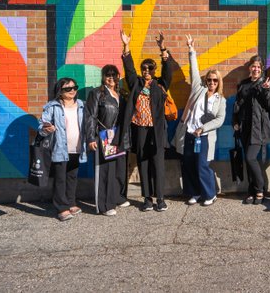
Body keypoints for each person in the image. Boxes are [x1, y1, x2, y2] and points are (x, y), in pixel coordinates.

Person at [121, 31, 172, 212]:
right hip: (141, 129)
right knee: (143, 163)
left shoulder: (160, 84)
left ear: (154, 70)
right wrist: (126, 46)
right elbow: (129, 70)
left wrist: (163, 49)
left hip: (156, 131)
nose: (147, 72)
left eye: (150, 69)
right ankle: (148, 199)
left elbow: (168, 70)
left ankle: (160, 199)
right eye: (144, 69)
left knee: (158, 164)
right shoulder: (136, 84)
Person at [173, 35, 227, 207]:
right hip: (189, 133)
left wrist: (203, 128)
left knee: (202, 165)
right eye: (209, 79)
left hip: (204, 137)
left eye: (215, 80)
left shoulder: (221, 100)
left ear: (218, 82)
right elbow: (193, 70)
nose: (211, 82)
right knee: (188, 164)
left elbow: (219, 120)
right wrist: (191, 50)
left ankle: (210, 194)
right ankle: (194, 193)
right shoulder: (198, 89)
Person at [85, 65, 131, 216]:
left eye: (114, 75)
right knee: (105, 171)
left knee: (119, 169)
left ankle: (117, 197)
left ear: (118, 76)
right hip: (104, 137)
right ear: (103, 77)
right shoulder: (97, 93)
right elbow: (90, 116)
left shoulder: (121, 94)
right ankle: (104, 205)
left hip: (119, 137)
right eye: (108, 75)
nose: (111, 78)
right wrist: (91, 137)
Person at [38, 78, 86, 222]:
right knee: (60, 178)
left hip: (77, 147)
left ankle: (71, 202)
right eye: (67, 89)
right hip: (59, 148)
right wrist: (47, 128)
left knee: (72, 177)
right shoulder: (52, 106)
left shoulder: (82, 105)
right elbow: (41, 125)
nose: (72, 91)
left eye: (74, 87)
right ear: (60, 91)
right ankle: (62, 208)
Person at [233, 55, 270, 205]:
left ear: (261, 68)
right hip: (244, 127)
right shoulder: (243, 84)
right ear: (249, 68)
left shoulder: (266, 83)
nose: (256, 69)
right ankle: (251, 191)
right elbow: (237, 105)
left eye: (258, 66)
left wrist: (266, 91)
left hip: (259, 128)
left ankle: (260, 189)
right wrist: (235, 122)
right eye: (253, 66)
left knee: (250, 158)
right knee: (248, 160)